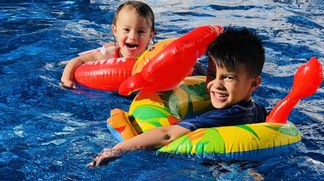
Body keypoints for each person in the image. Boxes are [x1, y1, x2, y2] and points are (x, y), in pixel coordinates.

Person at [88, 27, 266, 167]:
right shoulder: (256, 110)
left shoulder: (227, 115)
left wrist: (117, 150)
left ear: (254, 84)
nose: (216, 84)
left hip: (229, 174)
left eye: (228, 77)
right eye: (212, 75)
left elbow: (167, 134)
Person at [61, 0, 156, 88]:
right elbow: (78, 60)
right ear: (115, 31)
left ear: (150, 35)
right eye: (126, 30)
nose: (133, 37)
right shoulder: (110, 54)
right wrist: (66, 79)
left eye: (141, 32)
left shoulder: (153, 56)